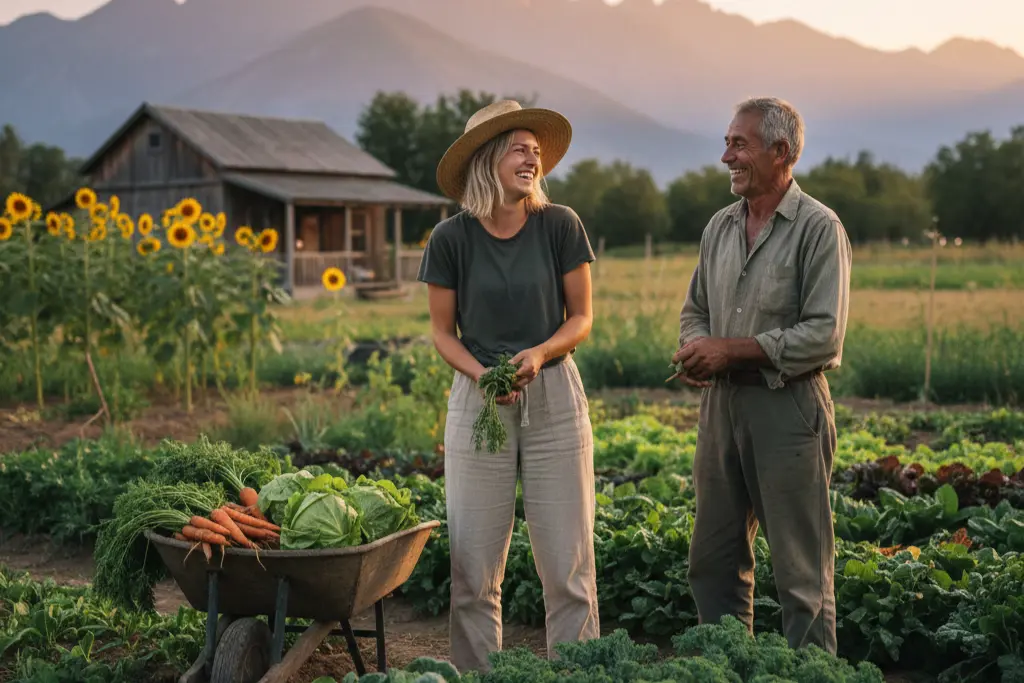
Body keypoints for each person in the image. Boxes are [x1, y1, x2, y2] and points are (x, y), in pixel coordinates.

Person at [416, 100, 600, 673]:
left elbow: (581, 318)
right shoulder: (451, 239)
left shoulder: (560, 225)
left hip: (553, 395)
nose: (532, 158)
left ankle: (576, 673)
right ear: (488, 159)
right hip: (479, 401)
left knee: (568, 567)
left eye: (536, 151)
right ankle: (478, 676)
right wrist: (483, 377)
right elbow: (444, 335)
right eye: (519, 148)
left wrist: (541, 353)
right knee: (472, 569)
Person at [671, 96, 852, 655]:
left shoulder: (819, 228)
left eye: (739, 144)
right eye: (727, 142)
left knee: (801, 574)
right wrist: (696, 348)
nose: (726, 155)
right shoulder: (720, 227)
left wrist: (734, 349)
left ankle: (812, 671)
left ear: (782, 151)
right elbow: (694, 308)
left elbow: (824, 334)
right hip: (721, 408)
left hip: (788, 407)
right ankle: (727, 666)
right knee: (714, 561)